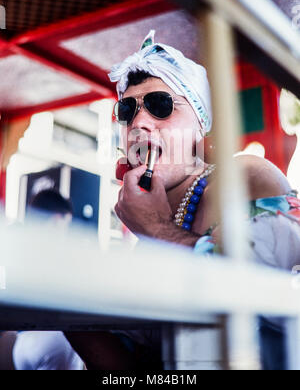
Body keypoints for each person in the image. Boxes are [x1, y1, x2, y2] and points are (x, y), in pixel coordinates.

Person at [66, 31, 300, 370]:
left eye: (161, 105)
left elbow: (281, 292)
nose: (140, 122)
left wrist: (158, 230)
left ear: (200, 126)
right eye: (127, 109)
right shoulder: (145, 222)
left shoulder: (244, 175)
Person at [12, 189, 84, 371]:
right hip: (47, 341)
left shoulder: (12, 240)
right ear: (56, 220)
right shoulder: (51, 252)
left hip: (18, 343)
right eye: (65, 226)